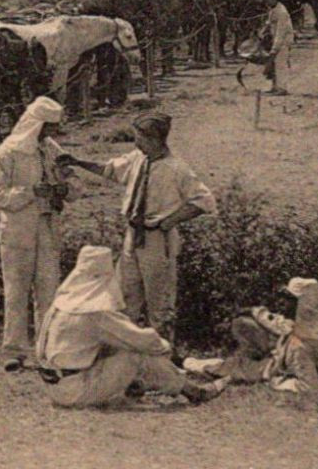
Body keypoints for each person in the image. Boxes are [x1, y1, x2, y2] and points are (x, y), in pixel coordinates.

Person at [61, 112, 215, 347]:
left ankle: (164, 356)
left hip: (157, 240)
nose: (136, 143)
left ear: (154, 139)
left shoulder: (177, 169)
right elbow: (109, 170)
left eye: (140, 138)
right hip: (132, 238)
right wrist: (77, 161)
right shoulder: (137, 159)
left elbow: (204, 201)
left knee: (160, 302)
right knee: (125, 298)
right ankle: (128, 353)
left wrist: (168, 221)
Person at [35, 246, 219, 407]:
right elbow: (145, 341)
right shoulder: (96, 313)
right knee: (136, 354)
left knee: (116, 348)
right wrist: (163, 346)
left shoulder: (60, 305)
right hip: (76, 391)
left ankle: (136, 384)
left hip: (54, 388)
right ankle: (194, 391)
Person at [0, 96, 70, 367]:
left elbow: (73, 181)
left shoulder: (51, 149)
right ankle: (14, 351)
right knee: (16, 290)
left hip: (47, 228)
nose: (51, 134)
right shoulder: (8, 152)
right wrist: (30, 193)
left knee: (49, 289)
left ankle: (47, 350)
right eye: (48, 128)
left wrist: (64, 189)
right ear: (36, 124)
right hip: (18, 231)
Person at [184, 277, 318, 404]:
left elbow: (310, 388)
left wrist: (277, 381)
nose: (284, 302)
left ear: (300, 301)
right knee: (243, 329)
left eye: (289, 298)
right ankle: (192, 364)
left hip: (281, 366)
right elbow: (277, 323)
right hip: (283, 358)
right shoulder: (317, 322)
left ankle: (190, 365)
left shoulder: (300, 343)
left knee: (237, 368)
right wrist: (254, 311)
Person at [258, 0, 294, 96]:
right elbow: (269, 23)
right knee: (273, 65)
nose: (267, 2)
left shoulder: (282, 12)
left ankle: (282, 88)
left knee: (280, 64)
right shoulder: (273, 10)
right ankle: (274, 86)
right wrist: (263, 31)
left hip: (283, 41)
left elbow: (281, 32)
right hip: (275, 39)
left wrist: (275, 48)